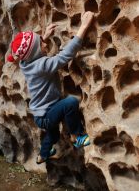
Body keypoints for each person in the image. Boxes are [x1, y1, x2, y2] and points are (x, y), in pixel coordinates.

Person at [7, 11, 94, 164]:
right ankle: (78, 137)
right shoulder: (42, 65)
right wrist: (84, 26)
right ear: (35, 52)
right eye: (42, 44)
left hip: (40, 114)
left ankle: (43, 155)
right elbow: (65, 56)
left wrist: (43, 37)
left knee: (53, 136)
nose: (46, 44)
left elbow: (30, 52)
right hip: (47, 114)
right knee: (71, 103)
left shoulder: (25, 63)